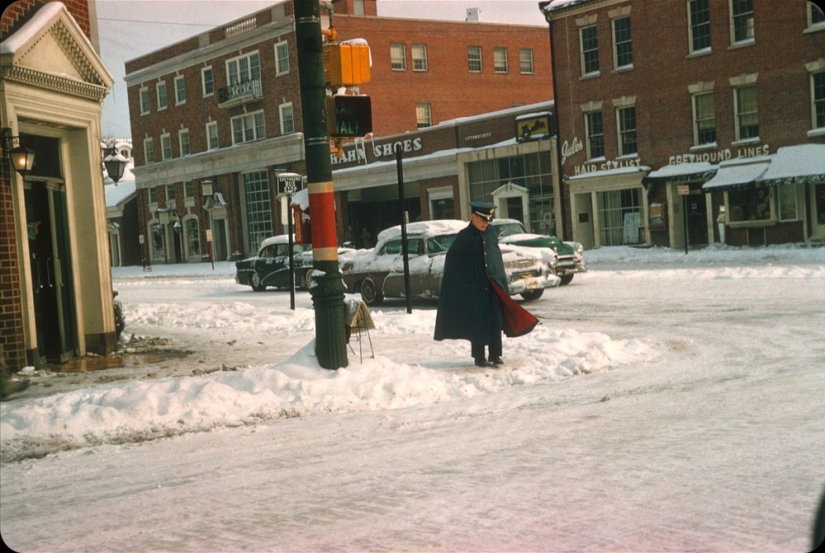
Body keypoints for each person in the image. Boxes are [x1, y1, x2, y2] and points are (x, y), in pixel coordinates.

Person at [434, 201, 538, 367]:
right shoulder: (464, 236)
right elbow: (453, 260)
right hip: (475, 288)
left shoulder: (491, 233)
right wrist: (465, 282)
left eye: (488, 220)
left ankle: (495, 354)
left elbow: (495, 257)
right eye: (482, 219)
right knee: (478, 322)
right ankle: (479, 356)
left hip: (493, 285)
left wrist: (501, 281)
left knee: (495, 319)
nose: (485, 223)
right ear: (473, 216)